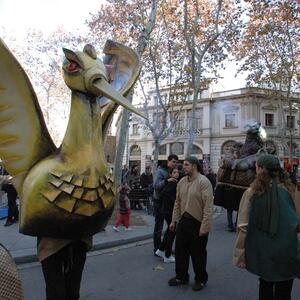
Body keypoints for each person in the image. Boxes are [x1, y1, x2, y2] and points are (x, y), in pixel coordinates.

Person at [233, 154, 300, 300]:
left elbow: (243, 226)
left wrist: (240, 254)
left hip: (264, 250)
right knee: (284, 289)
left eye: (256, 166)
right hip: (288, 249)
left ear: (261, 169)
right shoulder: (291, 190)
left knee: (266, 286)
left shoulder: (251, 193)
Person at [168, 156, 214, 291]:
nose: (183, 167)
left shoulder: (204, 182)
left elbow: (208, 207)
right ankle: (181, 276)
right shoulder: (181, 182)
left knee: (198, 254)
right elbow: (177, 203)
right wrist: (173, 221)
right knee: (180, 252)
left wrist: (205, 226)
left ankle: (200, 279)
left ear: (194, 166)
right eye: (183, 165)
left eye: (186, 165)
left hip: (198, 223)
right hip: (183, 222)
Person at [153, 154, 178, 256]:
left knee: (170, 227)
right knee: (159, 226)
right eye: (173, 161)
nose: (175, 164)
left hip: (167, 203)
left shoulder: (170, 171)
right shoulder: (160, 171)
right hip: (159, 202)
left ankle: (164, 247)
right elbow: (156, 186)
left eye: (176, 162)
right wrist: (167, 180)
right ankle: (157, 248)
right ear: (168, 161)